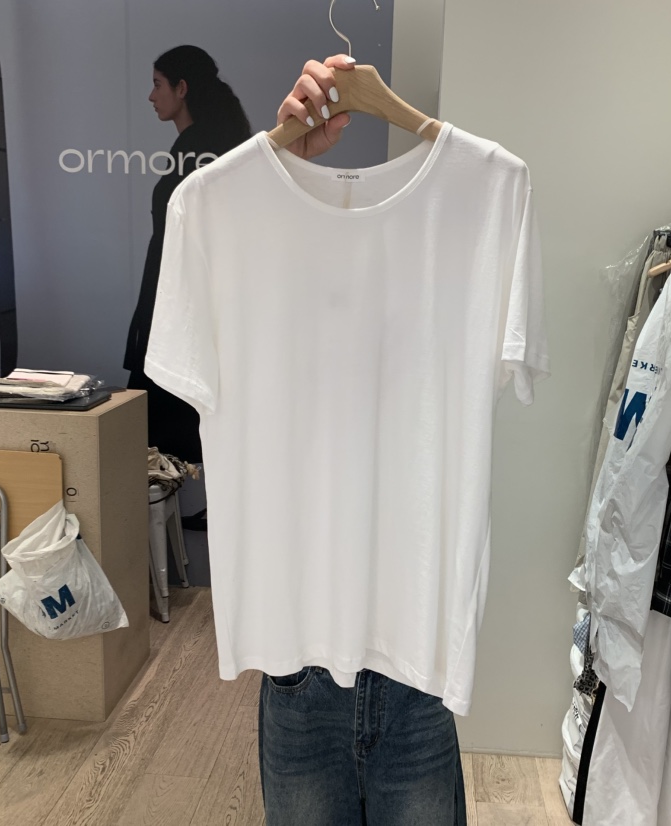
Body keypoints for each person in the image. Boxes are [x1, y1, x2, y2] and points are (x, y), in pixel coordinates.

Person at [257, 55, 468, 826]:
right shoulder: (231, 218)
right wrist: (278, 167)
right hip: (300, 654)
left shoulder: (481, 206)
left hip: (417, 654)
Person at [124, 45, 251, 463]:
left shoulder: (199, 149)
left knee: (162, 430)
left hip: (181, 304)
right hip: (190, 302)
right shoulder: (212, 145)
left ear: (182, 88)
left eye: (157, 84)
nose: (151, 96)